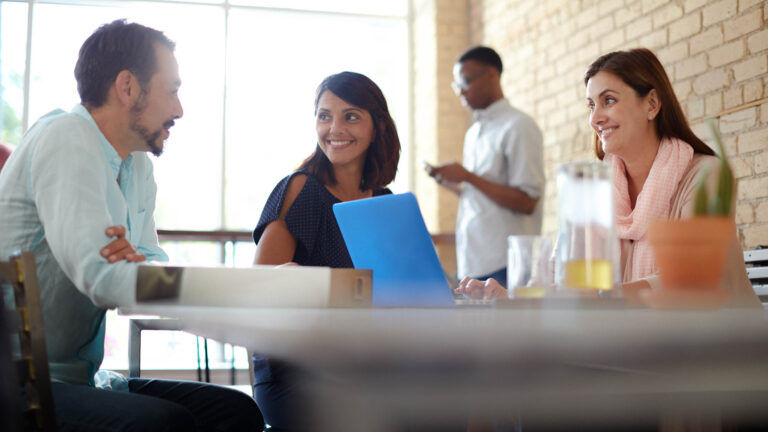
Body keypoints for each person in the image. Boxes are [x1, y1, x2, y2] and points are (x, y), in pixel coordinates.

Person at [0, 20, 263, 431]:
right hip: (20, 387)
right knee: (166, 423)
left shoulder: (136, 163)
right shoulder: (66, 137)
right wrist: (223, 285)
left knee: (237, 412)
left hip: (83, 382)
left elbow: (149, 264)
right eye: (172, 90)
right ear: (127, 87)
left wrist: (135, 264)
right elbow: (104, 278)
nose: (180, 109)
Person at [456, 48, 760, 308]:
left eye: (609, 100)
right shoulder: (591, 187)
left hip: (718, 352)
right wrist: (509, 297)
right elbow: (564, 275)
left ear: (652, 104)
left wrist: (602, 300)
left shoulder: (705, 174)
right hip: (630, 349)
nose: (595, 118)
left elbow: (695, 278)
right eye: (591, 105)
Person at [252, 71, 401, 429]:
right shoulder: (301, 189)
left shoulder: (384, 202)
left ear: (377, 126)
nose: (334, 128)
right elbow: (257, 288)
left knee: (450, 398)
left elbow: (406, 289)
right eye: (324, 115)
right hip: (294, 370)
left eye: (350, 116)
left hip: (362, 363)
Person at [425, 46, 545, 288]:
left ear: (491, 74)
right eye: (456, 85)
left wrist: (468, 177)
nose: (461, 92)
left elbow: (527, 201)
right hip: (472, 261)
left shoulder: (518, 126)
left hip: (505, 264)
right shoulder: (474, 133)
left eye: (465, 81)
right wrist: (453, 183)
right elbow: (482, 197)